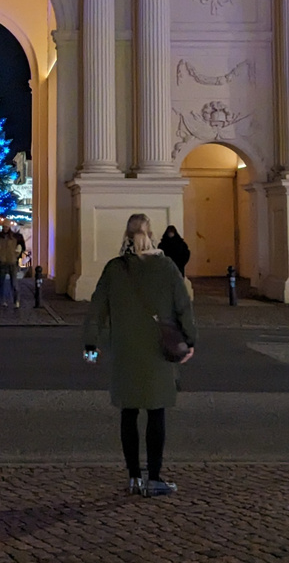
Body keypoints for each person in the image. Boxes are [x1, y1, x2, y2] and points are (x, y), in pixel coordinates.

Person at [84, 213, 196, 498]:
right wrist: (189, 339)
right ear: (152, 234)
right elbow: (183, 306)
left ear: (126, 235)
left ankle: (134, 476)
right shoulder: (166, 267)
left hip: (124, 348)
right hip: (158, 348)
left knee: (129, 411)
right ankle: (154, 477)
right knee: (156, 411)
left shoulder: (115, 268)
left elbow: (97, 309)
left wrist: (91, 345)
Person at [0, 225, 23, 307]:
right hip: (3, 262)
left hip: (11, 262)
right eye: (4, 227)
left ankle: (16, 300)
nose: (5, 228)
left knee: (13, 283)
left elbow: (20, 247)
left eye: (7, 227)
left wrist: (15, 255)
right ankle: (3, 300)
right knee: (2, 282)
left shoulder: (14, 237)